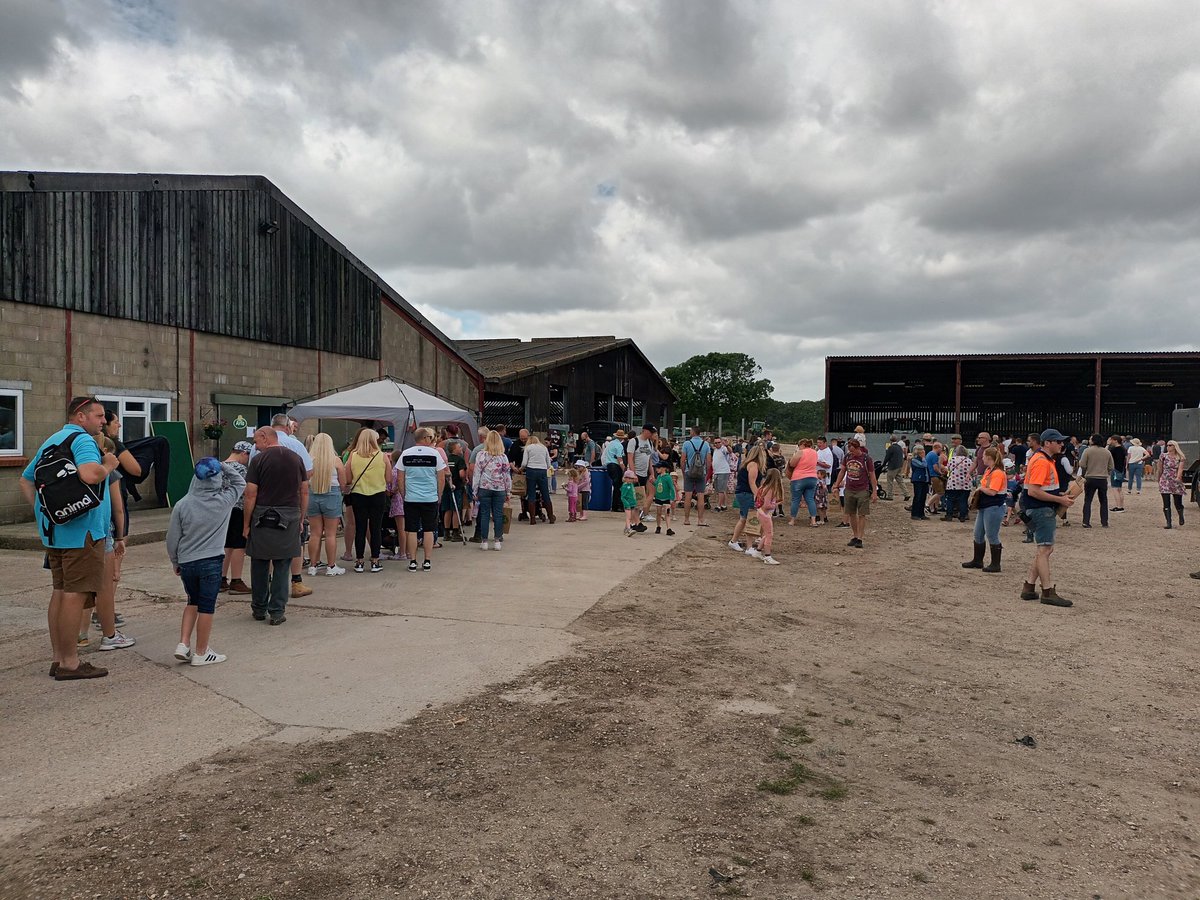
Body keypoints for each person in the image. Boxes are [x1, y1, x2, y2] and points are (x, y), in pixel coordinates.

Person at [20, 397, 120, 680]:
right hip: (83, 532)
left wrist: (43, 512)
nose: (103, 421)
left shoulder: (52, 440)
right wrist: (108, 464)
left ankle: (59, 658)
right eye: (98, 416)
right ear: (80, 416)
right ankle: (70, 663)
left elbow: (26, 479)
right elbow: (90, 474)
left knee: (61, 591)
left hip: (56, 531)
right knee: (75, 595)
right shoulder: (82, 440)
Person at [167, 457, 246, 666]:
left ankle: (184, 643)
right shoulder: (224, 501)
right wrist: (222, 465)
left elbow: (172, 537)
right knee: (206, 606)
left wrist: (175, 561)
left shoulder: (182, 504)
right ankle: (202, 652)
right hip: (211, 560)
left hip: (187, 561)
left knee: (192, 601)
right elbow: (240, 482)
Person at [243, 426, 308, 626]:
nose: (255, 446)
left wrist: (246, 524)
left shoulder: (258, 460)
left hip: (262, 516)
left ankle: (259, 608)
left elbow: (250, 494)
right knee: (282, 564)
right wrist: (301, 518)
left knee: (259, 563)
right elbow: (304, 491)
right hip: (289, 515)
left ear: (265, 437)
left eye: (256, 441)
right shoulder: (296, 458)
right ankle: (277, 612)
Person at [1019, 428, 1074, 607]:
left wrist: (1059, 495)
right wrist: (1060, 499)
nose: (1061, 444)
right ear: (1047, 443)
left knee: (1043, 549)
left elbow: (1039, 488)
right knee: (1045, 549)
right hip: (1041, 509)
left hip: (1037, 508)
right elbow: (1034, 491)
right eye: (1058, 441)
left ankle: (1029, 587)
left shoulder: (1041, 459)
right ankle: (1048, 591)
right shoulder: (1043, 461)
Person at [397, 427, 448, 570]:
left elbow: (400, 478)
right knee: (428, 530)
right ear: (425, 438)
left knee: (412, 530)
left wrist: (403, 494)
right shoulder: (434, 454)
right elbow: (441, 477)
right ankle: (427, 561)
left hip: (411, 498)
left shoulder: (405, 454)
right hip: (430, 498)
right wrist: (439, 495)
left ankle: (413, 561)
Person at [342, 428, 388, 573]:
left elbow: (348, 478)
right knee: (376, 528)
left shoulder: (353, 456)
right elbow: (388, 478)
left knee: (360, 528)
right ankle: (375, 560)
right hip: (378, 494)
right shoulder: (382, 456)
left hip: (359, 495)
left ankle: (359, 561)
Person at [305, 434, 346, 576]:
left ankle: (313, 566)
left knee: (315, 533)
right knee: (330, 534)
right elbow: (343, 483)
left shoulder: (308, 460)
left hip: (312, 495)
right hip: (331, 495)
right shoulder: (336, 460)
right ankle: (331, 566)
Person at [962, 447, 1007, 572]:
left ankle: (995, 564)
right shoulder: (989, 470)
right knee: (978, 533)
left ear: (989, 458)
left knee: (992, 535)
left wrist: (980, 489)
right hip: (985, 506)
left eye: (983, 456)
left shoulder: (998, 473)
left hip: (994, 506)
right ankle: (977, 561)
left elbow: (993, 492)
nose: (982, 458)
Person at [220, 441, 254, 595]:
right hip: (238, 509)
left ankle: (221, 579)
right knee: (239, 545)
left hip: (222, 509)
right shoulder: (241, 469)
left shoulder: (220, 466)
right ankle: (236, 580)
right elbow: (248, 492)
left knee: (226, 544)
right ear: (244, 453)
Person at [833, 439, 877, 549]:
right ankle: (855, 535)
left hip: (862, 489)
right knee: (851, 513)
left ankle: (860, 538)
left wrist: (874, 491)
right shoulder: (847, 457)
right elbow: (842, 471)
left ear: (857, 448)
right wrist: (836, 484)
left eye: (852, 450)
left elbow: (872, 475)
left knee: (862, 514)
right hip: (849, 488)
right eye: (849, 450)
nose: (850, 452)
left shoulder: (866, 459)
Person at [472, 429, 511, 550]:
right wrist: (508, 491)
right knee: (498, 515)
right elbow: (507, 475)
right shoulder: (503, 457)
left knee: (484, 514)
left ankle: (484, 541)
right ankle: (497, 541)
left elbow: (476, 474)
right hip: (499, 488)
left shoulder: (481, 455)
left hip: (484, 487)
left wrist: (475, 490)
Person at [728, 444, 766, 552]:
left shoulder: (746, 464)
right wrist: (758, 496)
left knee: (744, 519)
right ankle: (748, 546)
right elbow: (752, 482)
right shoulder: (753, 465)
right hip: (746, 493)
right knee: (749, 519)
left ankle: (734, 541)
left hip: (742, 493)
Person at [1076, 434, 1114, 528]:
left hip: (1090, 478)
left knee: (1088, 500)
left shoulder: (1087, 451)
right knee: (1103, 501)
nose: (1089, 440)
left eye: (1090, 439)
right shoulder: (1107, 452)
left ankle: (1086, 521)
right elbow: (1111, 467)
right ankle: (1104, 522)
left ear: (1093, 441)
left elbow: (1082, 464)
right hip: (1102, 479)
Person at [748, 468, 783, 565]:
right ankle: (767, 556)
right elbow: (767, 505)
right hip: (765, 514)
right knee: (769, 535)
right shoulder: (770, 489)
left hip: (762, 513)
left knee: (766, 534)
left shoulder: (763, 487)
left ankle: (758, 551)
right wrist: (775, 504)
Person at [520, 434, 555, 524]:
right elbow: (548, 464)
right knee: (545, 493)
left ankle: (532, 519)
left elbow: (524, 463)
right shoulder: (544, 448)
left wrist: (520, 469)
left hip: (531, 471)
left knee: (531, 494)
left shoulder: (528, 448)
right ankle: (551, 517)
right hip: (542, 471)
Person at [680, 426, 711, 527]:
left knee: (688, 496)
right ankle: (700, 520)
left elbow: (683, 460)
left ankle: (686, 519)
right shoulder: (706, 444)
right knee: (701, 496)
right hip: (701, 472)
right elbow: (708, 461)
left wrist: (683, 471)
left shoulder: (687, 444)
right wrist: (706, 472)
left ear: (693, 432)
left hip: (689, 472)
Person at [786, 438, 820, 527]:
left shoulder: (800, 452)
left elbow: (792, 464)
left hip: (799, 478)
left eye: (799, 445)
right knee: (810, 499)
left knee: (795, 499)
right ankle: (813, 520)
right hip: (812, 477)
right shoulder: (815, 452)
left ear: (802, 445)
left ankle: (792, 520)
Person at [441, 439, 468, 540]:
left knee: (447, 509)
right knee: (456, 510)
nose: (461, 448)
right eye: (459, 447)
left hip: (446, 487)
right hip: (456, 487)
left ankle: (446, 532)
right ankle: (455, 532)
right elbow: (461, 474)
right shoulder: (460, 460)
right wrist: (464, 479)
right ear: (454, 449)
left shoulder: (446, 459)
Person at [1157, 440, 1187, 528]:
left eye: (1170, 445)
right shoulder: (1163, 456)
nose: (1168, 447)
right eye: (1167, 445)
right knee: (1166, 502)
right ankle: (1168, 523)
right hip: (1165, 480)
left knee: (1177, 502)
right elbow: (1160, 469)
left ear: (1175, 446)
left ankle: (1180, 514)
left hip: (1175, 481)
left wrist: (1178, 478)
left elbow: (1180, 469)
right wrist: (1159, 479)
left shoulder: (1180, 457)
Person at [942, 436, 972, 522]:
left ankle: (949, 515)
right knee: (963, 500)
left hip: (953, 482)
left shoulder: (952, 459)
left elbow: (947, 469)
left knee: (950, 499)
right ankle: (962, 516)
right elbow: (973, 471)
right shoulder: (969, 461)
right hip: (965, 483)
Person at [603, 429, 627, 512]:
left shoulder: (611, 444)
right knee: (618, 486)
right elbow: (620, 459)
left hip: (609, 465)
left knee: (615, 485)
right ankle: (618, 506)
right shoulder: (619, 446)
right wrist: (624, 469)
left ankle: (614, 506)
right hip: (615, 465)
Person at [652, 458, 676, 535]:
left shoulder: (668, 477)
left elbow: (671, 488)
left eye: (658, 468)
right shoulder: (659, 477)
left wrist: (672, 498)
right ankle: (658, 526)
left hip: (667, 498)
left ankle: (668, 528)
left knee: (667, 513)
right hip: (659, 497)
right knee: (658, 513)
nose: (656, 469)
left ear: (663, 468)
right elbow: (656, 484)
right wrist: (653, 482)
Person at [908, 443, 930, 520]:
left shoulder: (923, 459)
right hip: (918, 479)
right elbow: (923, 465)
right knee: (918, 497)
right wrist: (923, 458)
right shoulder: (914, 460)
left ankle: (921, 513)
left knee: (923, 497)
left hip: (924, 480)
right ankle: (915, 514)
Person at [711, 437, 733, 511]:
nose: (717, 444)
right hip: (717, 471)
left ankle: (719, 506)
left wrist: (727, 445)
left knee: (721, 490)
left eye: (719, 442)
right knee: (720, 489)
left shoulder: (723, 449)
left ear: (721, 442)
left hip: (723, 471)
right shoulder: (715, 450)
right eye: (716, 443)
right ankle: (723, 505)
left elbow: (730, 451)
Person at [883, 436, 907, 502]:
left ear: (890, 441)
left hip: (893, 466)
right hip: (899, 465)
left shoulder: (891, 447)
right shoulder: (899, 447)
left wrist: (883, 464)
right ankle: (906, 493)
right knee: (900, 481)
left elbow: (887, 457)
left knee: (890, 481)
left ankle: (890, 495)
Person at [1107, 436, 1127, 511]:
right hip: (1121, 470)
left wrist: (1108, 444)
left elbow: (1106, 453)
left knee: (1115, 489)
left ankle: (1118, 507)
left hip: (1115, 470)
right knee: (1119, 489)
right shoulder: (1123, 449)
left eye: (1111, 440)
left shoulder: (1114, 449)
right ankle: (1121, 505)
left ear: (1115, 440)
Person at [621, 469, 642, 535]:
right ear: (625, 478)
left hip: (632, 504)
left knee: (631, 517)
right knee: (629, 517)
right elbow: (623, 497)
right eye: (629, 478)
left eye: (632, 478)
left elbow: (633, 494)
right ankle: (628, 529)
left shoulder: (631, 485)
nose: (631, 480)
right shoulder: (625, 486)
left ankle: (626, 528)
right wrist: (626, 504)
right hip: (628, 505)